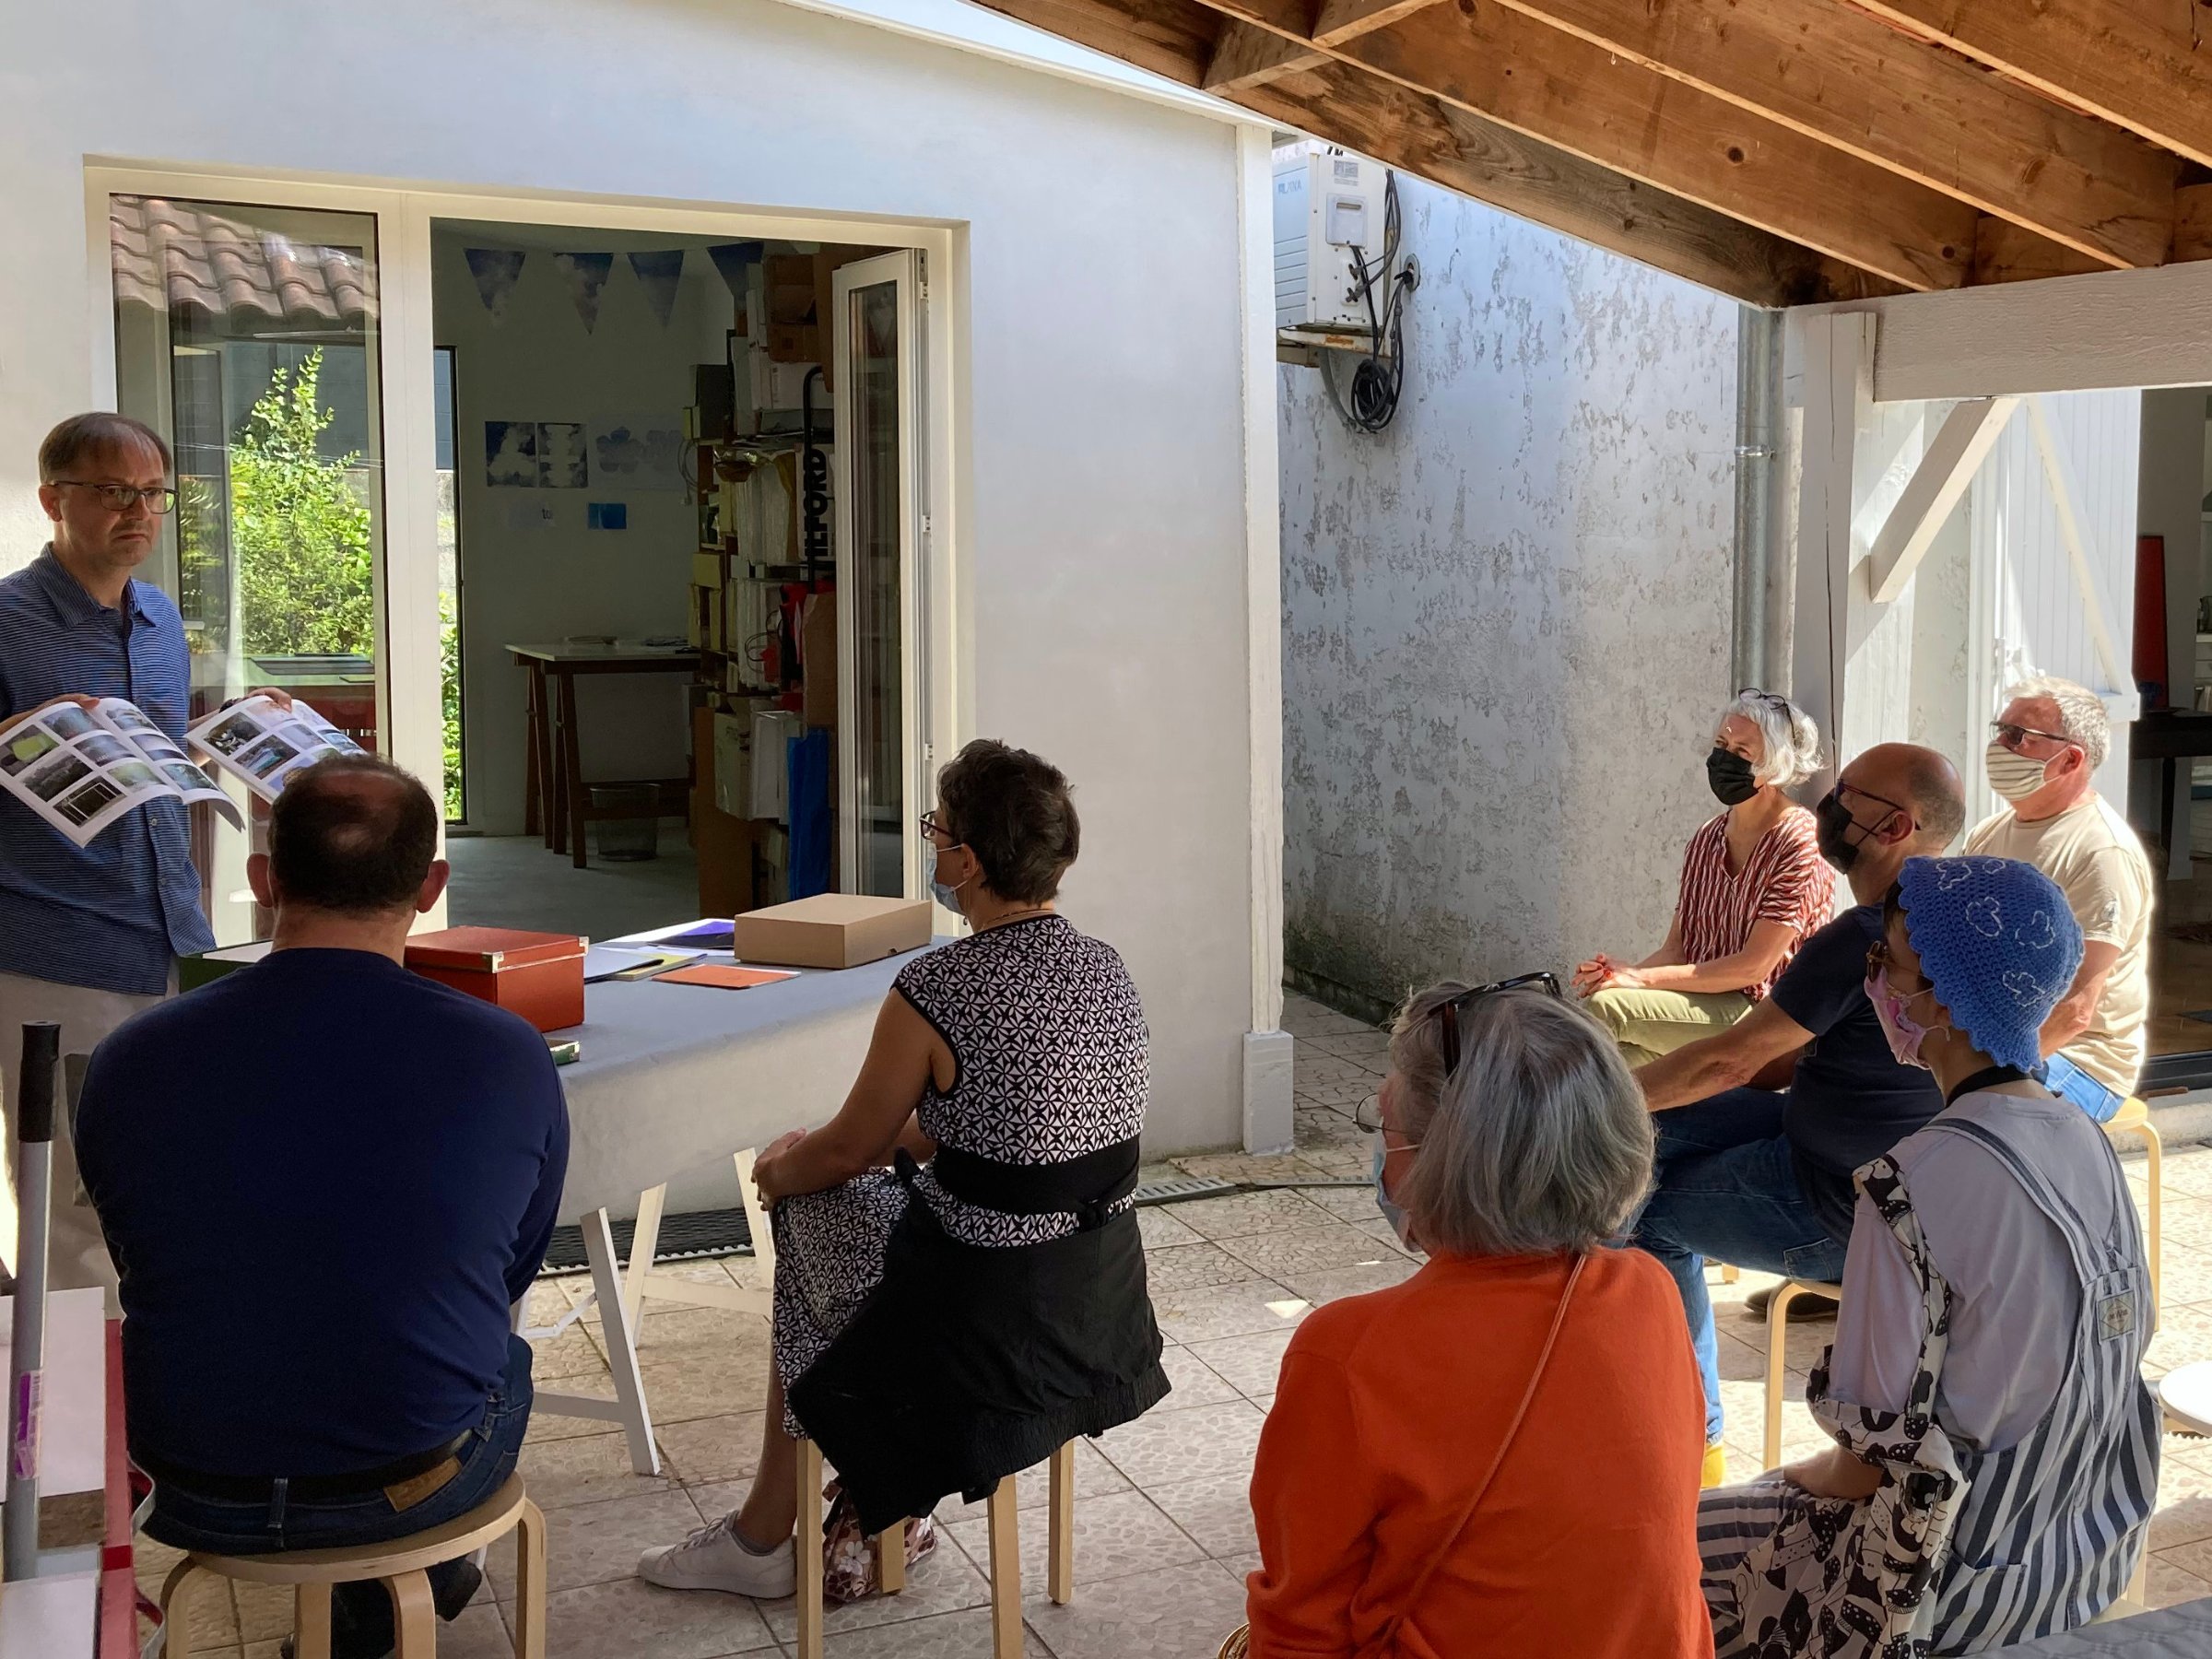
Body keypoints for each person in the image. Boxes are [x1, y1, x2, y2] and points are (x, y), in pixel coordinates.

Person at [639, 738, 1169, 1598]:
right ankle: (863, 1506)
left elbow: (847, 1147)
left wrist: (776, 1174)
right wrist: (890, 1146)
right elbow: (994, 1127)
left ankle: (776, 1525)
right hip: (1096, 1302)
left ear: (966, 858)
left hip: (981, 1322)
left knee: (808, 1218)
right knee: (840, 1217)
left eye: (938, 830)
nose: (931, 847)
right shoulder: (1104, 969)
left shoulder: (939, 988)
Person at [76, 756, 568, 1659]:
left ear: (264, 883)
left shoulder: (131, 1057)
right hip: (408, 1480)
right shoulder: (504, 1053)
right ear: (432, 888)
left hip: (192, 1484)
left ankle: (365, 1606)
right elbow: (511, 1268)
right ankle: (397, 1592)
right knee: (504, 1356)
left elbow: (140, 1243)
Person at [1700, 857, 2158, 1653]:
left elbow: (1864, 1467)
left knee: (1680, 1542)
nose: (1873, 979)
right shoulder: (2087, 1139)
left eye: (1889, 964)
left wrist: (1774, 1483)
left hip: (1944, 1584)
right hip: (2082, 1557)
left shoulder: (1910, 1183)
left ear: (1945, 997)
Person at [1237, 985, 1709, 1658]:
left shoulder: (1347, 1352)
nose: (1379, 1156)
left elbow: (1300, 1629)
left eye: (1386, 1129)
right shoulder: (1649, 1292)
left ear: (1439, 1159)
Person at [0, 411, 288, 1291]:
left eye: (154, 494)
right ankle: (74, 1420)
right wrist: (19, 736)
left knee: (169, 1177)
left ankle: (159, 1395)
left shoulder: (160, 619)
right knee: (75, 1209)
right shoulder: (5, 619)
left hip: (175, 940)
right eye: (114, 491)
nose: (139, 512)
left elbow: (152, 751)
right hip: (60, 950)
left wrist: (234, 733)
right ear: (55, 499)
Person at [1629, 742, 1965, 1483]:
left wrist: (1597, 1100)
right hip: (1843, 1152)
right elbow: (1777, 1058)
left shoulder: (1869, 935)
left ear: (1897, 827)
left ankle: (1691, 1441)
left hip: (1844, 1207)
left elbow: (1734, 1059)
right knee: (1646, 1137)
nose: (1828, 806)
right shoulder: (1951, 916)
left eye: (1847, 794)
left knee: (1642, 1203)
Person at [1575, 688, 1833, 1064]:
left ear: (1774, 767)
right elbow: (1677, 949)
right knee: (1613, 1053)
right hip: (1703, 1003)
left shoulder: (1799, 842)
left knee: (1607, 1011)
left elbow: (1753, 968)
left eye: (1742, 752)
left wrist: (1639, 981)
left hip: (1766, 1014)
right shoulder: (1707, 839)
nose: (1723, 758)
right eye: (1721, 743)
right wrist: (1621, 972)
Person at [1963, 675, 2153, 1124]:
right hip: (1990, 1037)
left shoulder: (2102, 853)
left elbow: (2075, 1012)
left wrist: (1976, 1074)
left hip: (2082, 1062)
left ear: (2070, 760)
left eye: (2018, 736)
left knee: (1949, 1117)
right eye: (2000, 730)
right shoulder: (1988, 834)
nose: (2000, 746)